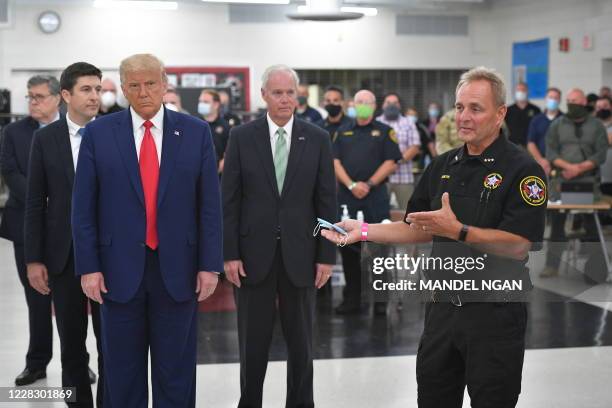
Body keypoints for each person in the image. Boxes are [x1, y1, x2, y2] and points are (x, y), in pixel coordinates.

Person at [321, 66, 547, 408]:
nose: (464, 117)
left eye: (475, 108)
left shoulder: (523, 170)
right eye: (459, 107)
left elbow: (517, 246)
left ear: (500, 113)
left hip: (494, 314)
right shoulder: (442, 166)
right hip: (442, 311)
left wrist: (457, 231)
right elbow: (416, 226)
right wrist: (363, 230)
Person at [72, 53, 223, 407]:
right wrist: (88, 267)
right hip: (116, 271)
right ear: (123, 88)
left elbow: (210, 206)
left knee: (176, 372)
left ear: (165, 83)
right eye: (134, 86)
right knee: (122, 373)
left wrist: (209, 264)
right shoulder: (98, 133)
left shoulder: (195, 132)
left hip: (179, 269)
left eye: (151, 83)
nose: (143, 93)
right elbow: (83, 208)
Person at [222, 64, 336, 408]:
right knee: (252, 345)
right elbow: (228, 200)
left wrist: (326, 255)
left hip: (301, 255)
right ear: (263, 96)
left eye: (290, 93)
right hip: (252, 256)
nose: (285, 99)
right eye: (277, 93)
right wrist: (229, 253)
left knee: (301, 345)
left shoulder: (317, 138)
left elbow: (326, 199)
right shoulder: (242, 137)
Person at [24, 62, 104, 407]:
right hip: (63, 255)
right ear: (66, 95)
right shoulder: (45, 140)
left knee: (112, 342)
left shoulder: (115, 132)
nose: (95, 96)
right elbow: (34, 203)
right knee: (72, 345)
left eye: (99, 89)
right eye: (87, 89)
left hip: (109, 254)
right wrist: (34, 259)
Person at [0, 75, 60, 386]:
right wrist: (47, 197)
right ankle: (37, 363)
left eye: (39, 96)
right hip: (26, 225)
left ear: (57, 98)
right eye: (30, 97)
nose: (33, 102)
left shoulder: (75, 130)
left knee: (70, 302)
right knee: (36, 299)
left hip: (65, 230)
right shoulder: (13, 132)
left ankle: (78, 361)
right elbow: (10, 172)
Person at [333, 89, 402, 315]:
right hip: (348, 198)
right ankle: (352, 299)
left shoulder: (385, 132)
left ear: (374, 106)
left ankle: (381, 302)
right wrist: (352, 185)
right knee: (348, 250)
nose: (362, 105)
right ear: (352, 104)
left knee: (378, 250)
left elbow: (391, 162)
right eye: (358, 101)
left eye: (367, 102)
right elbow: (335, 163)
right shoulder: (342, 132)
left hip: (375, 198)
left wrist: (368, 184)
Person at [542, 88, 608, 278]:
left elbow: (601, 153)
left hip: (588, 180)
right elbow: (551, 152)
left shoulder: (596, 126)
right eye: (568, 100)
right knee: (557, 223)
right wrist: (568, 167)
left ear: (584, 103)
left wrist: (580, 168)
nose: (571, 104)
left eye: (575, 101)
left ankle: (597, 266)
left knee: (591, 223)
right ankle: (552, 265)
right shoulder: (557, 125)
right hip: (562, 180)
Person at [376, 92, 420, 210]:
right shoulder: (376, 123)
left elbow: (415, 146)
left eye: (395, 103)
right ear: (382, 105)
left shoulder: (409, 123)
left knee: (407, 215)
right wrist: (386, 166)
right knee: (379, 214)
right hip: (380, 179)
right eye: (388, 102)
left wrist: (396, 162)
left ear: (400, 105)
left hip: (404, 178)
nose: (391, 105)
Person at [526, 87, 563, 175]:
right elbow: (531, 143)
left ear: (559, 100)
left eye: (555, 98)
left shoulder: (565, 120)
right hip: (540, 163)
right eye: (550, 97)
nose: (553, 100)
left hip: (560, 164)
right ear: (545, 99)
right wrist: (541, 160)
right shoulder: (536, 120)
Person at [198, 89, 231, 173]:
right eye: (200, 101)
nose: (201, 104)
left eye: (205, 102)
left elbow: (230, 150)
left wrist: (221, 165)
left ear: (216, 105)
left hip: (220, 174)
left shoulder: (225, 126)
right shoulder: (195, 124)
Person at [505, 82, 541, 147]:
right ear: (514, 92)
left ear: (528, 92)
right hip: (512, 147)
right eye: (518, 90)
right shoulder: (508, 111)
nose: (521, 92)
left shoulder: (536, 110)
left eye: (523, 90)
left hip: (531, 147)